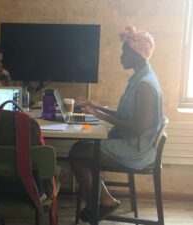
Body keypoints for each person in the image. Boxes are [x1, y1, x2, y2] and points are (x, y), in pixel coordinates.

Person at [69, 25, 162, 222]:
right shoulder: (138, 79)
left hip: (136, 149)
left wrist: (99, 115)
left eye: (125, 52)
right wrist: (95, 106)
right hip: (129, 142)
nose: (121, 56)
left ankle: (104, 202)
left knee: (78, 154)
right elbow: (124, 114)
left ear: (138, 54)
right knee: (82, 149)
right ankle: (103, 201)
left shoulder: (145, 84)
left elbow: (137, 126)